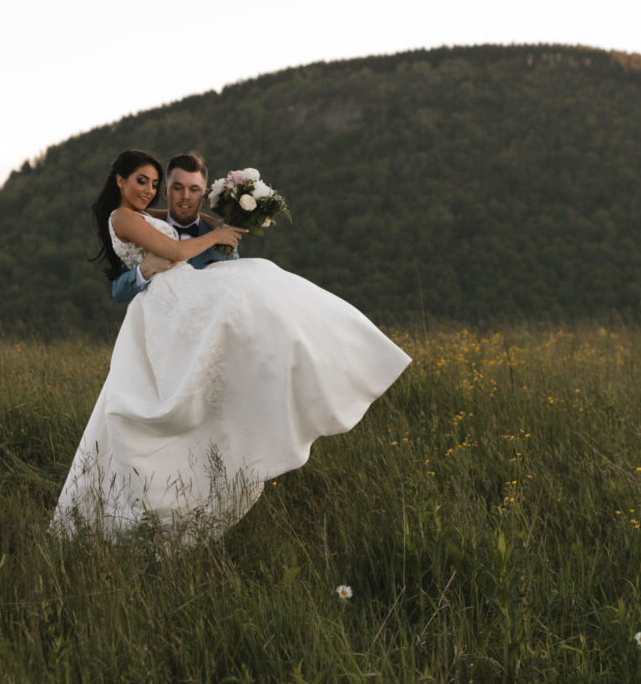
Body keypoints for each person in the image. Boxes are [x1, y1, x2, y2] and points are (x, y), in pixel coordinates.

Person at [52, 149, 411, 540]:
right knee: (253, 283)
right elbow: (158, 261)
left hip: (187, 302)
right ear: (121, 181)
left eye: (157, 184)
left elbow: (174, 228)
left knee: (261, 286)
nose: (155, 191)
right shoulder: (123, 217)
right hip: (170, 306)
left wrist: (225, 222)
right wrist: (214, 238)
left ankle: (325, 362)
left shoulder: (146, 216)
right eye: (149, 183)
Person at [112, 150, 236, 303]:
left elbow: (235, 290)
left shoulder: (222, 237)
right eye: (177, 188)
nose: (185, 196)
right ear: (165, 192)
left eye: (194, 189)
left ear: (204, 196)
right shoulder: (142, 227)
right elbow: (118, 292)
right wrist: (144, 270)